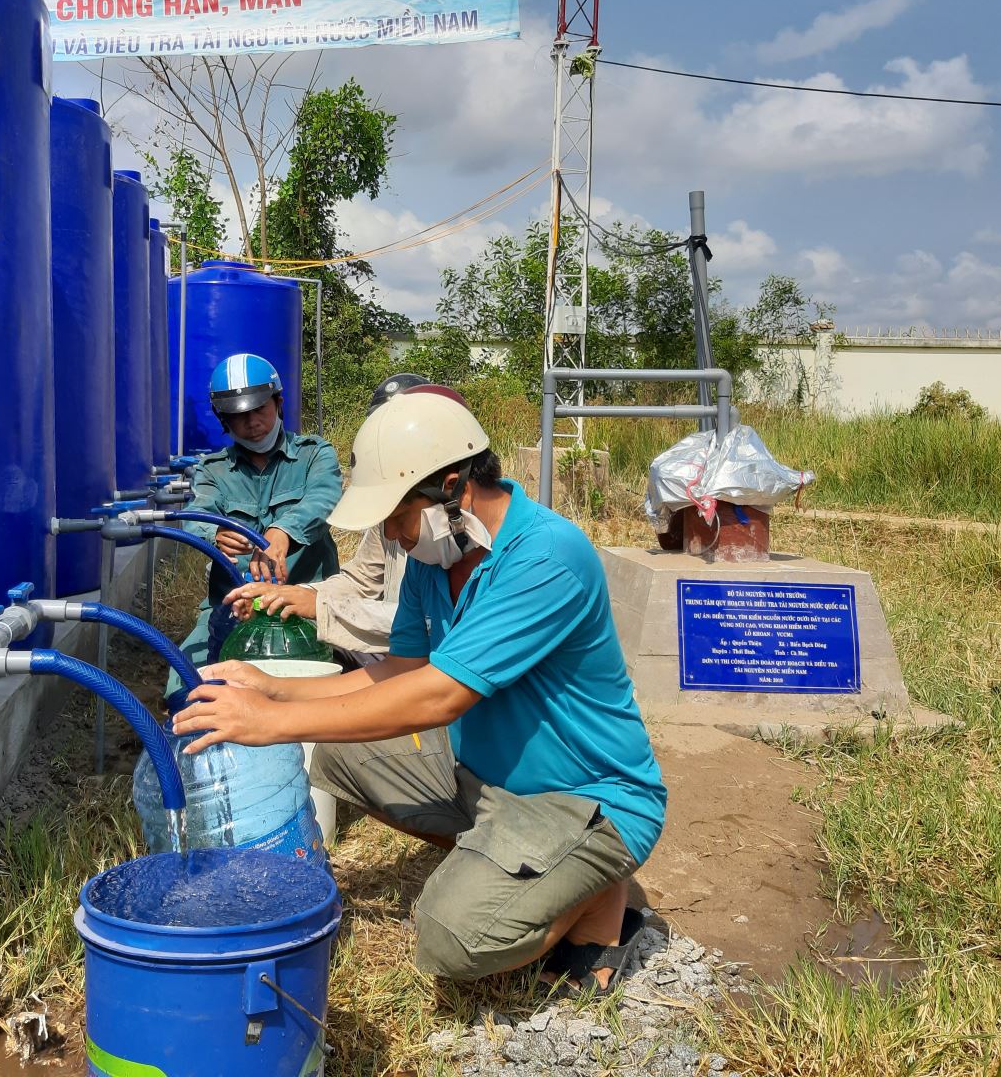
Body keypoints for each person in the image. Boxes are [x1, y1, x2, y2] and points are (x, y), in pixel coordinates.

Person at [174, 393, 667, 990]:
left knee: (449, 937)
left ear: (453, 487)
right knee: (343, 755)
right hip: (485, 773)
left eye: (395, 515)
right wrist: (271, 688)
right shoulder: (436, 561)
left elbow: (439, 697)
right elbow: (400, 670)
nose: (389, 533)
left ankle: (595, 903)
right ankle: (513, 860)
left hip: (582, 795)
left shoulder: (546, 557)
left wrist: (271, 722)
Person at [223, 373, 436, 669]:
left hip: (430, 660)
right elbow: (360, 580)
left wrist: (321, 609)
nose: (391, 531)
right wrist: (292, 596)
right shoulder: (390, 504)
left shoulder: (458, 522)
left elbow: (431, 623)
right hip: (395, 646)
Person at [167, 352, 342, 694]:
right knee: (183, 689)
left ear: (278, 402)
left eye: (259, 409)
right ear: (223, 420)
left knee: (333, 686)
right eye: (238, 415)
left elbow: (324, 498)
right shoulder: (212, 470)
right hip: (234, 608)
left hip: (307, 603)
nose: (252, 422)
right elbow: (194, 518)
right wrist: (215, 534)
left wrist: (283, 532)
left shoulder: (314, 454)